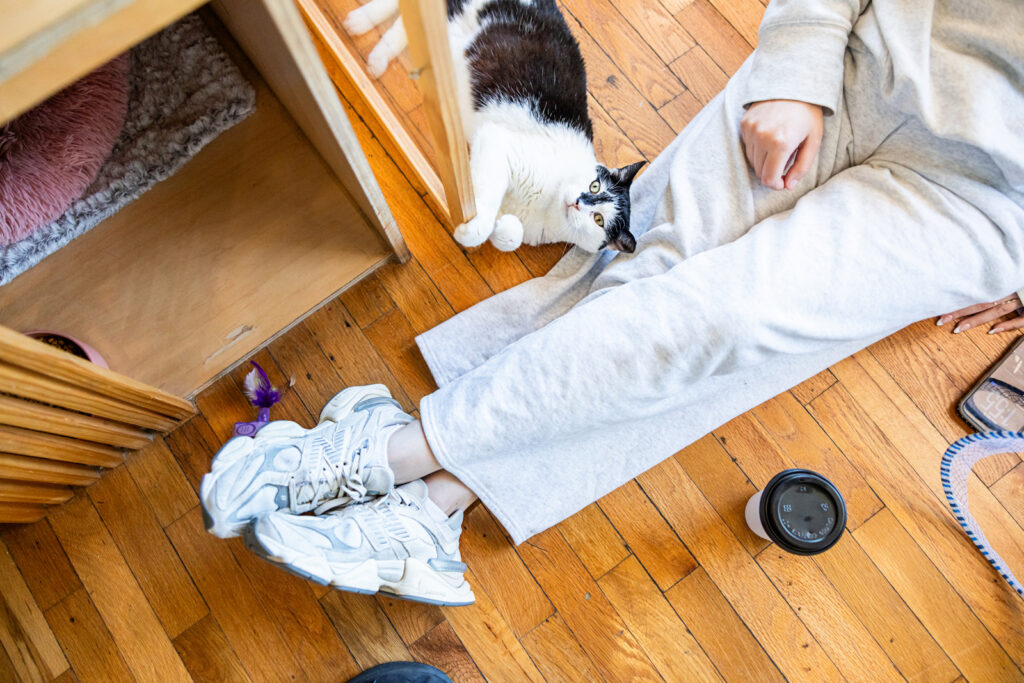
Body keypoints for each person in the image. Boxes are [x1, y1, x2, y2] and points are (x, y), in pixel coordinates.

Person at [200, 0, 1024, 605]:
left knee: (726, 323)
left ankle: (396, 456)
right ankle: (433, 509)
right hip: (862, 44)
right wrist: (798, 57)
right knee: (649, 267)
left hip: (987, 199)